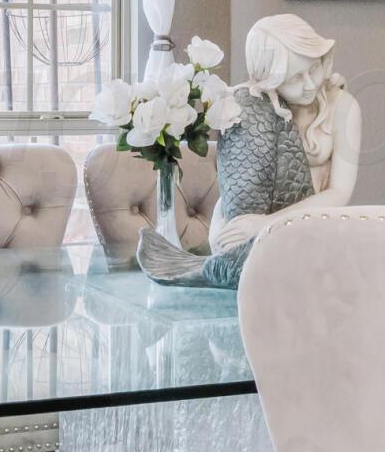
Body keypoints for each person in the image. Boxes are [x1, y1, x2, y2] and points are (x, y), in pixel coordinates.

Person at [143, 14, 360, 287]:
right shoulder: (253, 105)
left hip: (308, 232)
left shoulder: (343, 108)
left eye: (314, 69)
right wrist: (231, 226)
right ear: (268, 77)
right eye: (294, 78)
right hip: (248, 227)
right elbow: (242, 179)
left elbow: (340, 192)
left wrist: (266, 223)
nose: (309, 85)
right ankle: (214, 267)